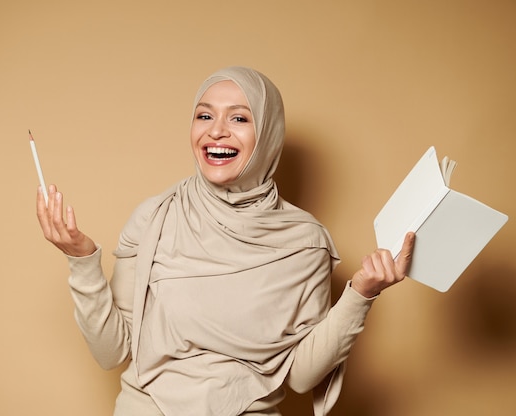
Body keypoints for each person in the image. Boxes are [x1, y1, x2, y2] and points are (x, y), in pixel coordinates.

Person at [36, 66, 415, 416]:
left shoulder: (305, 242)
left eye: (239, 118)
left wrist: (360, 295)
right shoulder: (155, 217)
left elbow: (301, 376)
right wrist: (81, 259)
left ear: (267, 133)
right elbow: (111, 352)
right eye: (205, 115)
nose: (216, 130)